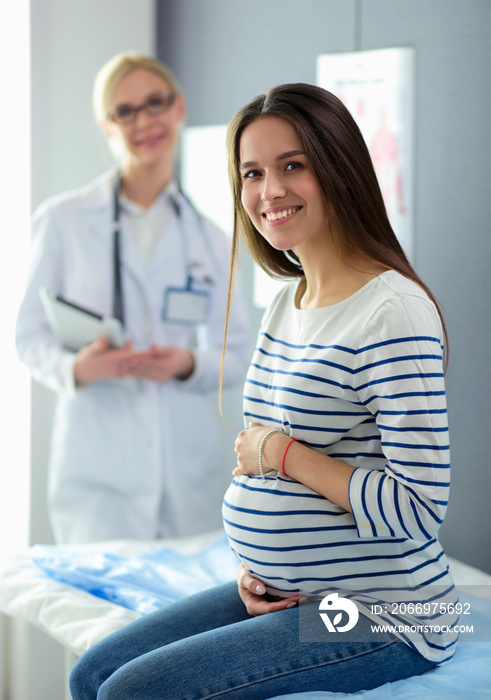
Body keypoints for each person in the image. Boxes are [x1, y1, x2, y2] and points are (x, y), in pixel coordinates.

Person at [69, 83, 457, 698]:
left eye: (292, 166)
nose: (269, 191)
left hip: (386, 611)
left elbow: (418, 508)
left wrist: (281, 454)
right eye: (252, 173)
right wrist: (258, 569)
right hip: (283, 591)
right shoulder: (286, 301)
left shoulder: (393, 313)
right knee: (89, 673)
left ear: (340, 169)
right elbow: (261, 469)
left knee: (130, 692)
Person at [16, 52, 251, 544]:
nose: (144, 121)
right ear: (107, 125)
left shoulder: (210, 238)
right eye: (125, 111)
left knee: (187, 617)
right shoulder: (64, 220)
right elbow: (29, 335)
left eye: (154, 103)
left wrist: (187, 362)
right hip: (100, 473)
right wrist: (77, 369)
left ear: (179, 108)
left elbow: (240, 354)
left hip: (187, 471)